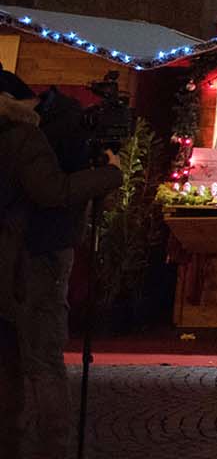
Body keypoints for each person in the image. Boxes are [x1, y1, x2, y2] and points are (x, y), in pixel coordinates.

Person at [0, 69, 122, 458]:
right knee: (43, 360)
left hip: (13, 258)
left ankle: (10, 442)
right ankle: (52, 447)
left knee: (9, 359)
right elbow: (53, 191)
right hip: (32, 259)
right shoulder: (23, 136)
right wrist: (109, 174)